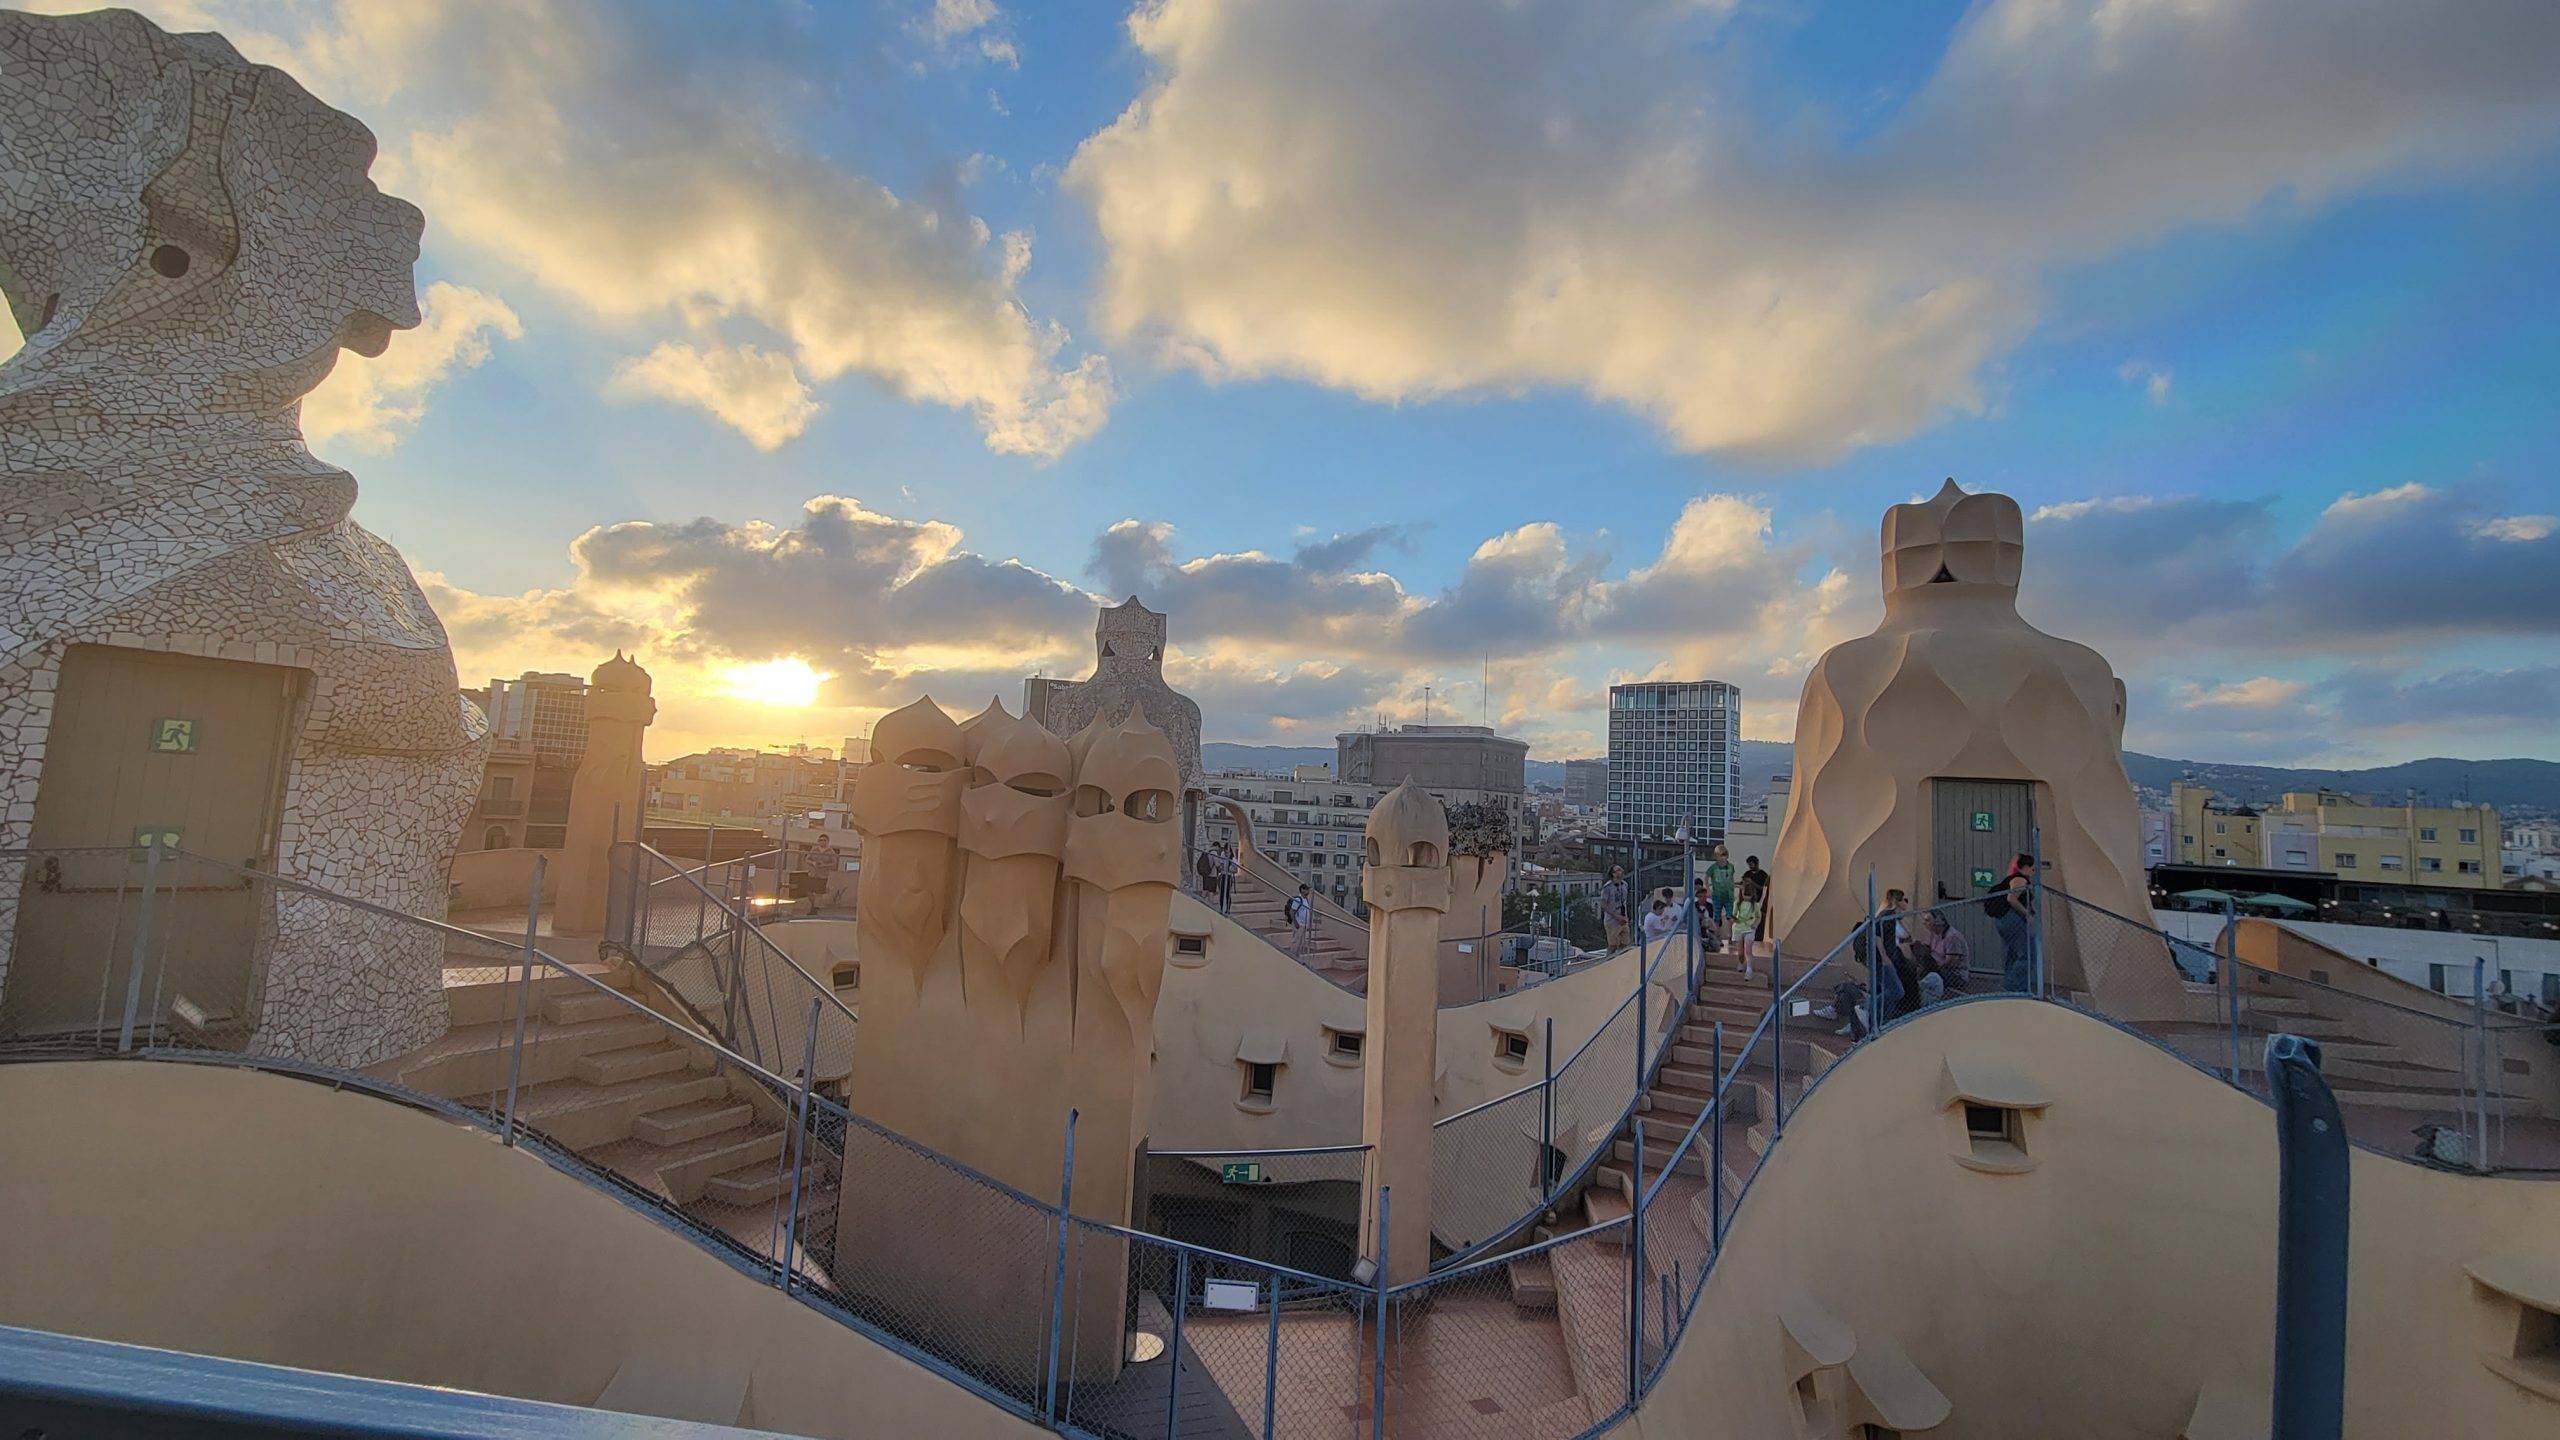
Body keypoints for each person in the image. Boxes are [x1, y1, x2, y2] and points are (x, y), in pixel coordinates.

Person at [1994, 873, 2037, 992]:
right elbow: (2011, 898)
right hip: (2014, 919)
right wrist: (2027, 914)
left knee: (2012, 955)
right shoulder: (2020, 879)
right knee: (2028, 955)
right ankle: (2014, 988)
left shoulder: (2012, 881)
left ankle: (2010, 987)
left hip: (2005, 920)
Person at [1924, 911, 1972, 995]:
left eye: (1927, 920)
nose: (1924, 923)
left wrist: (1933, 967)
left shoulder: (1952, 936)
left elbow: (1951, 962)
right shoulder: (1934, 934)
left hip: (1956, 974)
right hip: (1939, 968)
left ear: (1937, 922)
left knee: (1927, 977)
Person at [1731, 876, 1764, 981]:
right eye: (1745, 895)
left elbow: (1759, 916)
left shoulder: (1755, 905)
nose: (1747, 897)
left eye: (1748, 895)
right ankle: (1741, 962)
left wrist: (1755, 924)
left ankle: (1749, 970)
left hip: (1749, 928)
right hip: (1738, 928)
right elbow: (1734, 915)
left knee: (1748, 950)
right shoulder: (1737, 903)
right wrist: (1734, 919)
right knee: (1740, 952)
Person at [1601, 866, 1631, 949]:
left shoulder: (1625, 885)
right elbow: (1603, 904)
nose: (1621, 871)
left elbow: (1624, 901)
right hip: (1612, 919)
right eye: (1618, 870)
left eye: (1621, 869)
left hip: (1623, 917)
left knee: (1625, 942)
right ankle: (1609, 960)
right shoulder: (1608, 887)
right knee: (1613, 945)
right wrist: (1617, 917)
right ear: (1613, 874)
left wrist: (1624, 917)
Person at [1742, 856, 1771, 941]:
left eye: (1752, 864)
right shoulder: (1747, 874)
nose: (1750, 867)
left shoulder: (1763, 875)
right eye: (1749, 865)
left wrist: (1752, 882)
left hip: (1759, 902)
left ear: (1756, 863)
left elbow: (1763, 888)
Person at [1286, 884, 1316, 956]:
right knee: (1296, 941)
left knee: (1301, 942)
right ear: (1302, 890)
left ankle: (1297, 956)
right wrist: (1296, 923)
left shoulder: (1305, 900)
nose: (1308, 891)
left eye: (1308, 889)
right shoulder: (1298, 900)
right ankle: (1292, 956)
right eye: (1306, 889)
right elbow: (1292, 911)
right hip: (1299, 924)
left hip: (1304, 925)